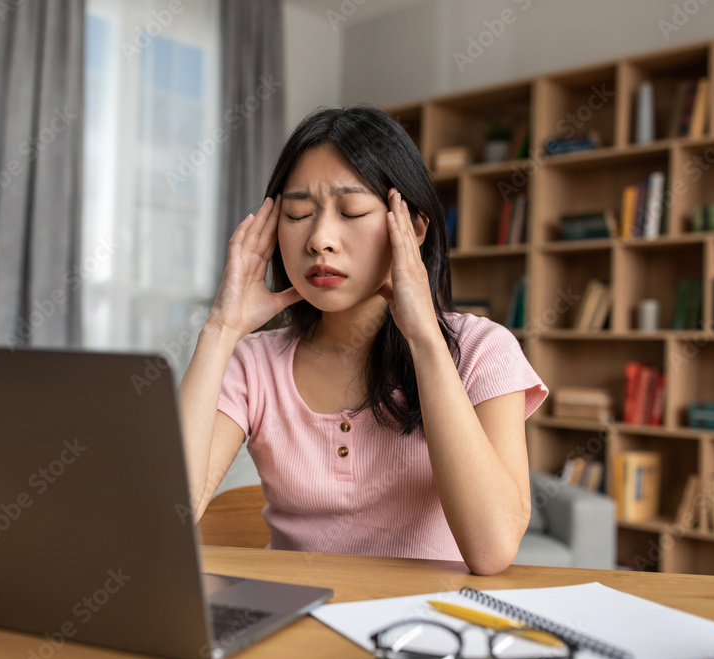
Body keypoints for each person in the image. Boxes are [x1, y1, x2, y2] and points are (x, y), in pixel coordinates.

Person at [178, 105, 547, 576]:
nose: (320, 239)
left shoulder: (482, 350)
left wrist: (424, 338)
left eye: (351, 211)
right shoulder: (252, 363)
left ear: (412, 229)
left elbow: (491, 549)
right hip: (297, 622)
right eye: (298, 214)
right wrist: (221, 328)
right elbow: (167, 516)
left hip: (427, 630)